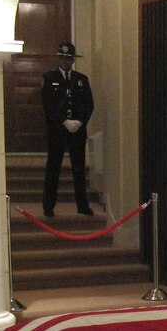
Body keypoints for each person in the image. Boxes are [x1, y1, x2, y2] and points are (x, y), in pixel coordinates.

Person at [41, 40, 95, 217]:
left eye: (69, 58)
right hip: (57, 130)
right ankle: (48, 206)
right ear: (59, 59)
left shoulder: (81, 79)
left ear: (73, 60)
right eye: (63, 58)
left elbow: (89, 105)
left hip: (77, 131)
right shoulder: (49, 79)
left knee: (78, 168)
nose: (66, 62)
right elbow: (48, 105)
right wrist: (64, 121)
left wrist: (80, 122)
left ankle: (82, 205)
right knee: (53, 168)